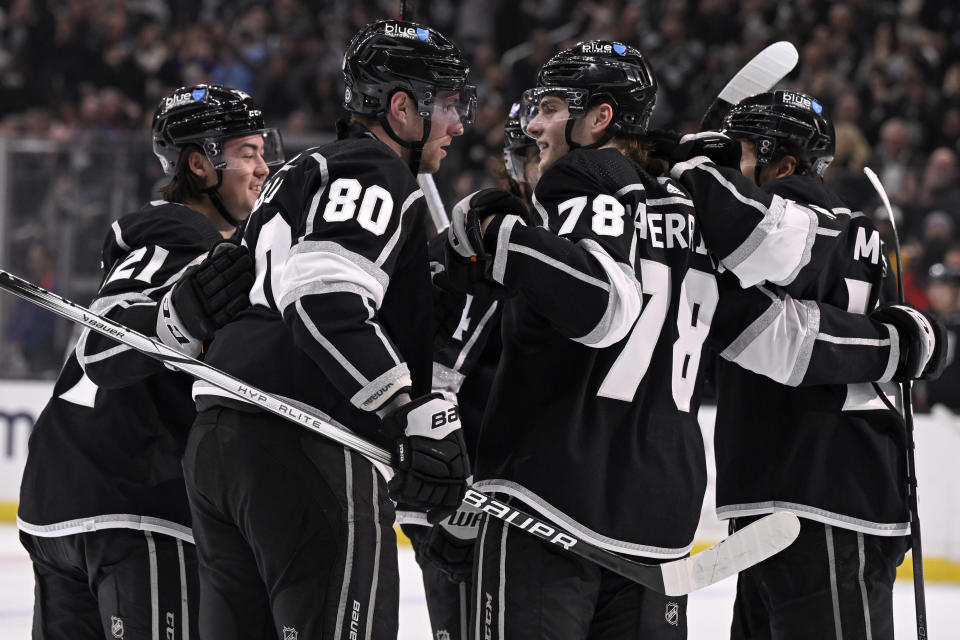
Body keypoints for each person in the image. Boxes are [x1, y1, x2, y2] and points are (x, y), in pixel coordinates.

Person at [442, 43, 946, 639]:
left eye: (549, 107)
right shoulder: (715, 220)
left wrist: (502, 234)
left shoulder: (587, 177)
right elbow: (784, 316)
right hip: (664, 516)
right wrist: (898, 345)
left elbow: (603, 303)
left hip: (554, 489)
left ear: (599, 118)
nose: (532, 125)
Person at [182, 20, 474, 639]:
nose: (458, 124)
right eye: (447, 103)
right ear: (401, 108)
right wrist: (402, 408)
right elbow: (323, 301)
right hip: (306, 440)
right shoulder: (371, 168)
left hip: (218, 439)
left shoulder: (299, 172)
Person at [17, 83, 280, 639]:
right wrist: (177, 317)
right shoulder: (180, 233)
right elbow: (101, 345)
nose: (264, 168)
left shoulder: (206, 242)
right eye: (249, 153)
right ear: (200, 164)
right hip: (135, 502)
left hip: (61, 496)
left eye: (264, 151)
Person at [710, 90, 948, 640]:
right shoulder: (857, 230)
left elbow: (778, 337)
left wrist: (689, 169)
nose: (730, 166)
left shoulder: (779, 223)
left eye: (740, 153)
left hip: (821, 495)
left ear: (783, 164)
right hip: (817, 491)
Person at [401, 103, 542, 640]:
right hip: (459, 498)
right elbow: (438, 377)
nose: (543, 168)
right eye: (533, 156)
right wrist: (457, 499)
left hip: (493, 498)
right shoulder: (498, 232)